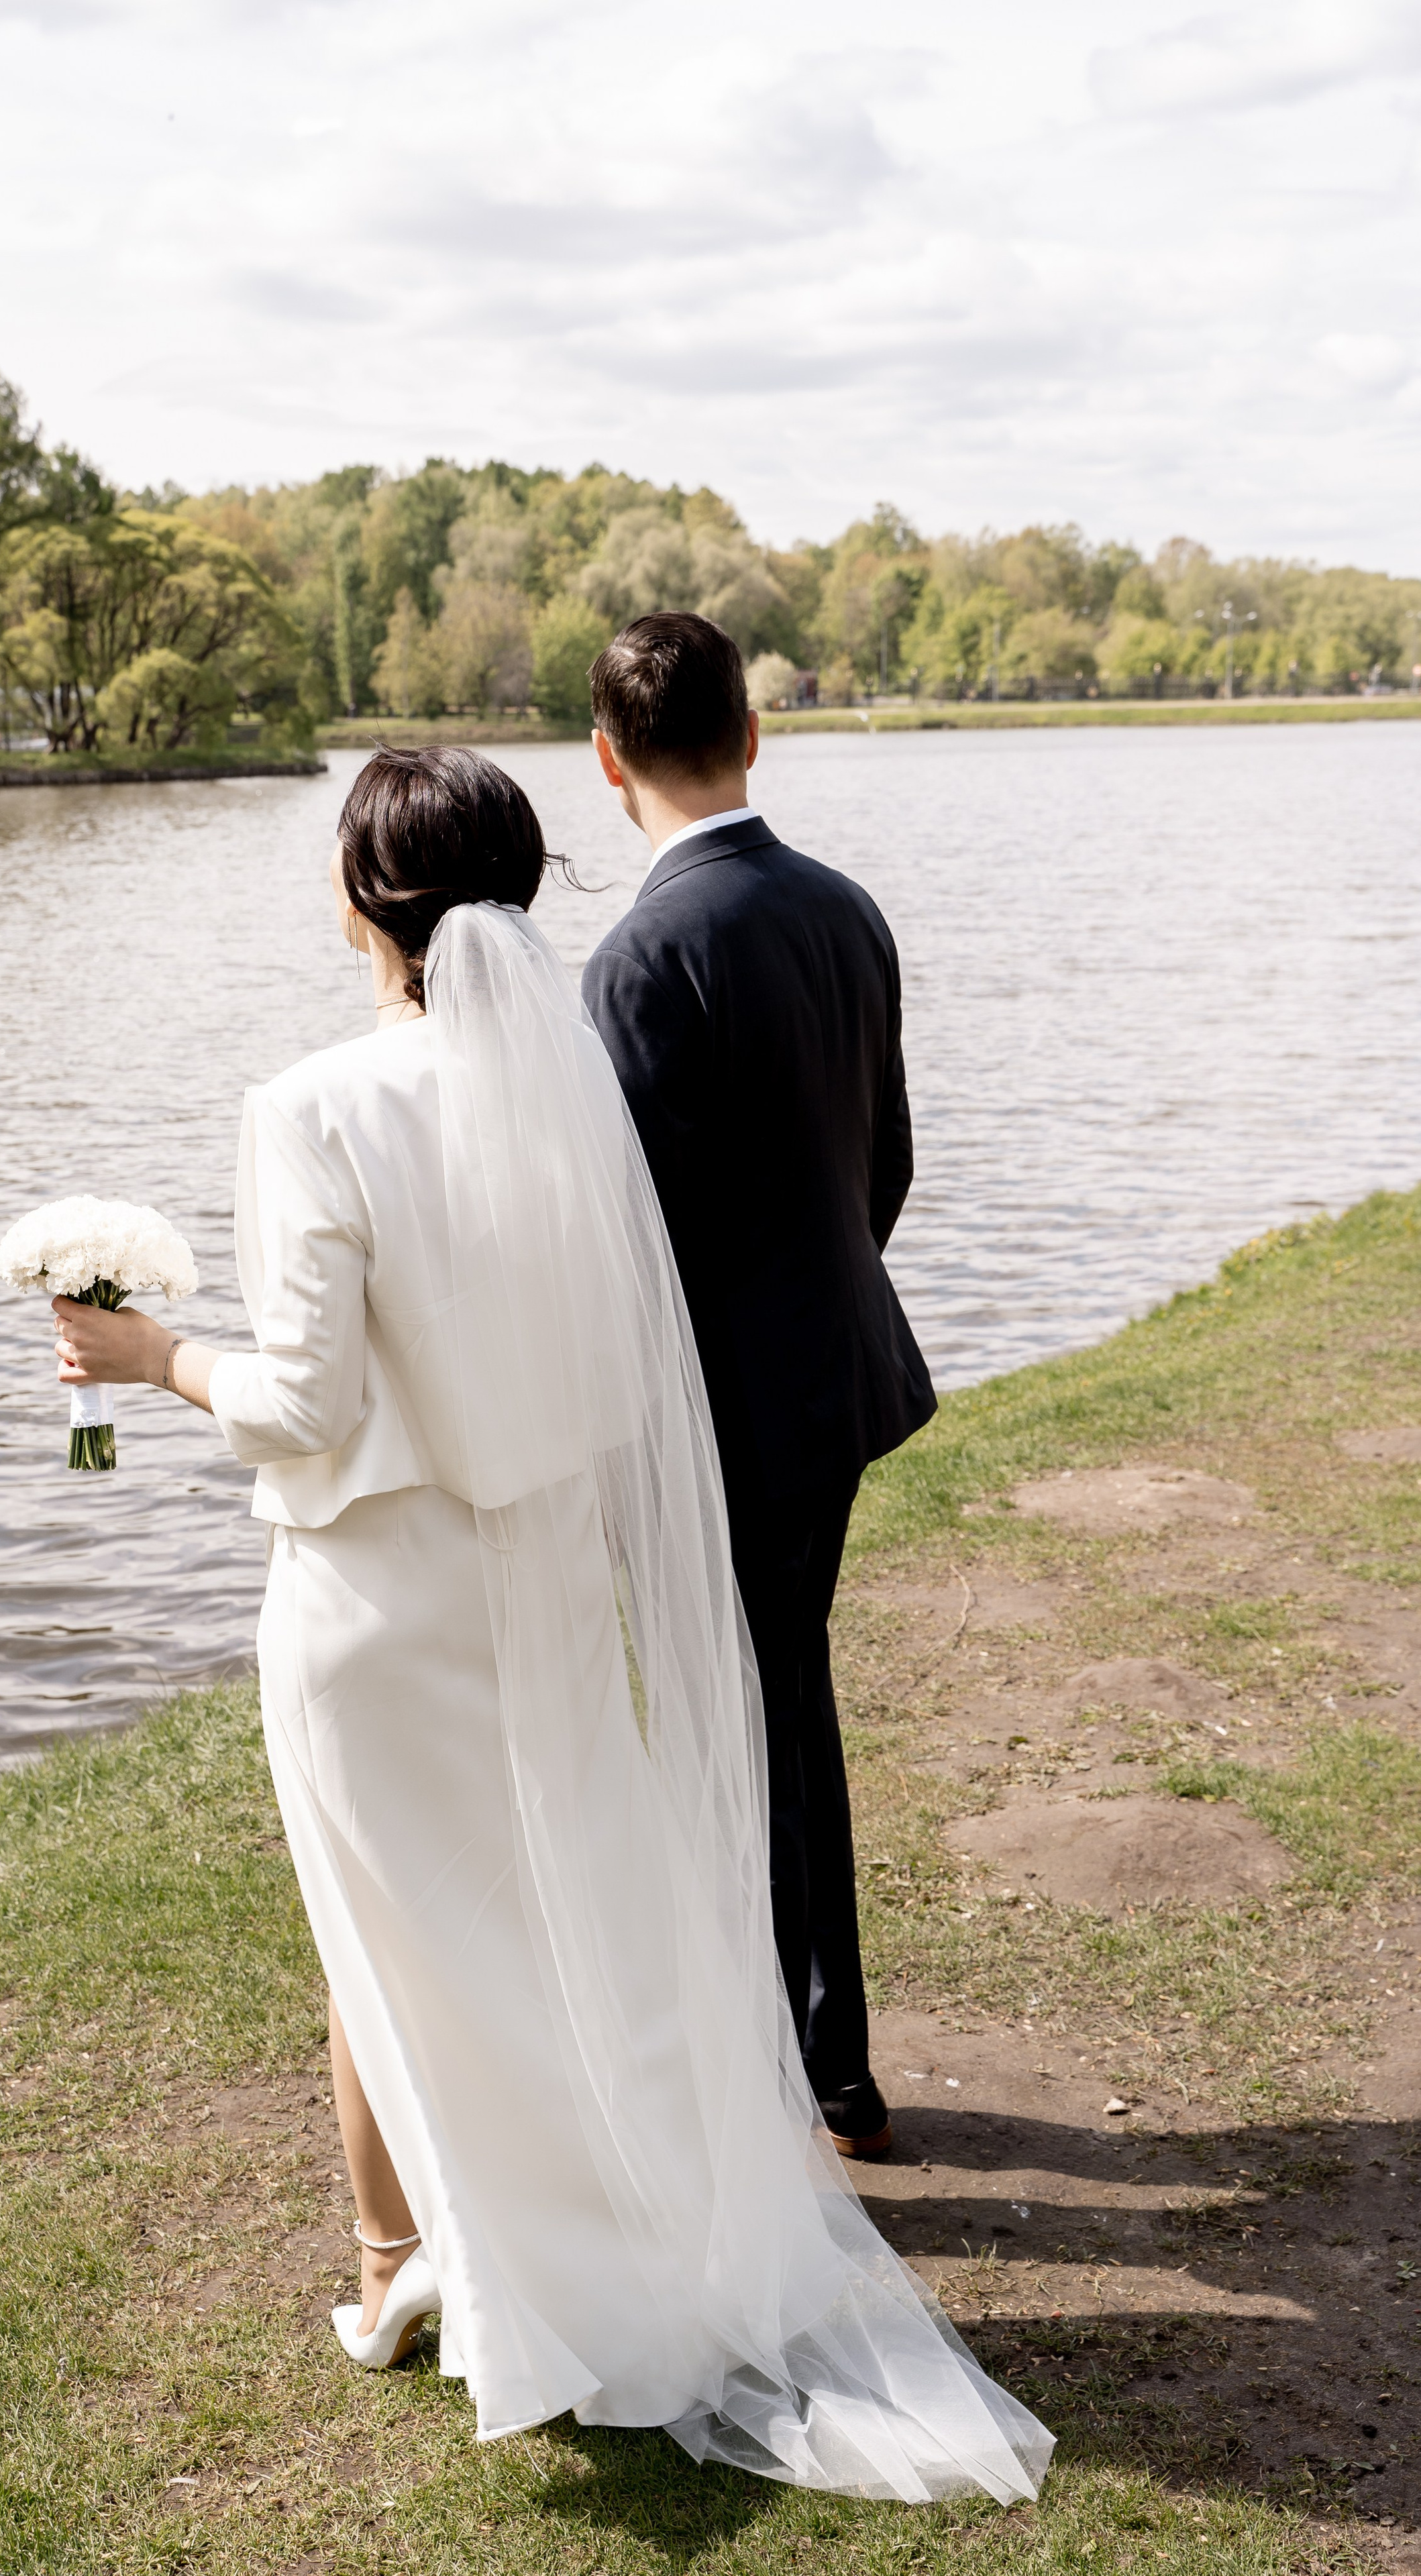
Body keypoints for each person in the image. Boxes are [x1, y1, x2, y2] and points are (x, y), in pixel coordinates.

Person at [50, 747, 1048, 2500]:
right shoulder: (574, 1083)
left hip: (375, 1602)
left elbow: (300, 1402)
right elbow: (610, 1367)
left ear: (361, 900)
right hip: (544, 1582)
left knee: (381, 1933)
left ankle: (394, 2276)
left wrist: (148, 1360)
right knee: (559, 1915)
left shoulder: (312, 1106)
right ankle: (591, 2246)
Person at [581, 614, 935, 2161]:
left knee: (753, 1711)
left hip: (726, 1413)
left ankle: (806, 2062)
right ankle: (815, 2054)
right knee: (780, 1696)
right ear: (752, 733)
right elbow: (887, 1160)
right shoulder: (845, 907)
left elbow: (624, 1236)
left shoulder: (642, 956)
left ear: (603, 763)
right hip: (836, 1379)